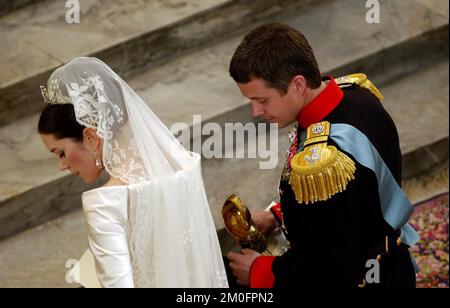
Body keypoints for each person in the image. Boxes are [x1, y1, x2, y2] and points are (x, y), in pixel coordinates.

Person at [226, 22, 419, 288]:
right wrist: (277, 216)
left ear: (298, 85)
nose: (256, 112)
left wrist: (259, 272)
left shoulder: (327, 161)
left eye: (262, 100)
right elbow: (351, 206)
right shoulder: (355, 95)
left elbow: (326, 267)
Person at [38, 57, 228, 288]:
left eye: (61, 153)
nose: (62, 165)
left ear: (90, 137)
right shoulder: (183, 164)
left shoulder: (104, 203)